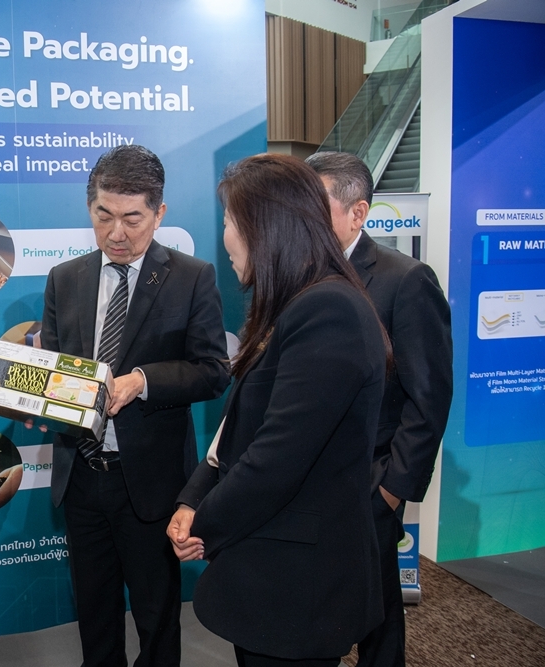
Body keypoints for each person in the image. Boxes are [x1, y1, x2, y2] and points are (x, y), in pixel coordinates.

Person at [168, 153, 388, 667]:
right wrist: (194, 496)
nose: (224, 238)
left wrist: (204, 522)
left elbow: (277, 456)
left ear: (264, 228)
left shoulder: (327, 309)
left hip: (298, 587)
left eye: (229, 221)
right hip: (273, 572)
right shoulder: (294, 303)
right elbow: (240, 424)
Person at [40, 144, 231, 667]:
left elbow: (213, 370)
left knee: (156, 617)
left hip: (150, 482)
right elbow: (55, 370)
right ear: (90, 207)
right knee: (94, 614)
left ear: (159, 213)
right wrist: (35, 398)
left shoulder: (191, 277)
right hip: (82, 476)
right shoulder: (64, 278)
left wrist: (143, 381)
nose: (116, 233)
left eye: (132, 219)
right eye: (104, 216)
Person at [306, 151, 453, 667]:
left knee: (378, 613)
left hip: (370, 482)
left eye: (315, 205)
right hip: (305, 477)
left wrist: (391, 490)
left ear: (358, 212)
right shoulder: (298, 272)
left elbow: (429, 396)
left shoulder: (406, 280)